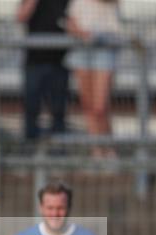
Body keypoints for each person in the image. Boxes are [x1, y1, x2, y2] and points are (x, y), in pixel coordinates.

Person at [65, 0, 123, 147]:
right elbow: (71, 19)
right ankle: (96, 151)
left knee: (100, 107)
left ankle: (108, 149)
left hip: (105, 45)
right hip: (81, 47)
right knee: (88, 106)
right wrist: (77, 30)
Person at [18, 0, 69, 140]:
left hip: (59, 61)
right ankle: (30, 145)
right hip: (35, 61)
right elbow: (20, 17)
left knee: (58, 109)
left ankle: (60, 150)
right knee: (31, 107)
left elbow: (72, 20)